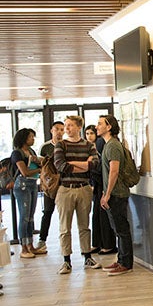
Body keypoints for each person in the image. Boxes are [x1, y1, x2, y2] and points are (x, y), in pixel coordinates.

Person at [54, 116, 101, 274]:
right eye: (66, 126)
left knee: (84, 225)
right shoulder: (61, 145)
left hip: (84, 188)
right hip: (65, 189)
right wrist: (84, 165)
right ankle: (66, 261)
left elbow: (95, 164)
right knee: (64, 228)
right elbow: (60, 165)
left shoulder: (89, 145)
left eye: (70, 126)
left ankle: (87, 256)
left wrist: (73, 164)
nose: (66, 129)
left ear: (78, 127)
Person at [96, 115, 134, 276]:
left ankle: (126, 263)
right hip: (113, 193)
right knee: (118, 229)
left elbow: (114, 171)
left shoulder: (112, 146)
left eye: (100, 124)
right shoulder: (108, 145)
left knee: (121, 229)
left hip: (117, 194)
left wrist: (108, 194)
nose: (97, 126)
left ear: (109, 126)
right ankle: (121, 260)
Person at [11, 128, 45, 258]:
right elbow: (24, 172)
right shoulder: (17, 153)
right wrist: (40, 169)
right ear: (24, 138)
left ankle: (31, 245)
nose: (33, 139)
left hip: (32, 184)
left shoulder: (31, 151)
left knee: (30, 217)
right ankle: (24, 247)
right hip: (22, 185)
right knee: (24, 217)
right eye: (31, 137)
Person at [85, 124, 117, 255]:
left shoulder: (103, 144)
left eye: (91, 133)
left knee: (103, 214)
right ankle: (97, 243)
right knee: (96, 214)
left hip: (102, 183)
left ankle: (108, 245)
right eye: (87, 134)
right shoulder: (92, 146)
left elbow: (106, 167)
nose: (89, 136)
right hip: (97, 184)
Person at [36, 121, 65, 252]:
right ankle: (42, 240)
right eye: (57, 129)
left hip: (64, 183)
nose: (59, 132)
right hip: (50, 185)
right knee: (47, 211)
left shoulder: (66, 145)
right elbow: (41, 166)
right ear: (51, 131)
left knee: (65, 213)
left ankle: (65, 241)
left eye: (61, 129)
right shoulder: (45, 147)